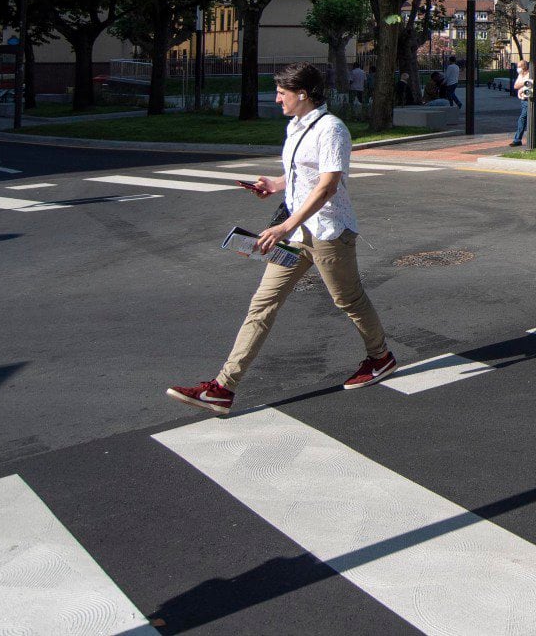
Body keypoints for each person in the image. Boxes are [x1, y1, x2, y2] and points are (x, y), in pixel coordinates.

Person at [167, 62, 396, 416]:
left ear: (302, 94)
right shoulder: (295, 127)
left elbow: (327, 185)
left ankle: (380, 357)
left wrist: (285, 225)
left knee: (348, 299)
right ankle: (222, 388)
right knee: (262, 304)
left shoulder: (331, 129)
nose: (276, 99)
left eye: (282, 93)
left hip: (327, 232)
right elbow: (300, 174)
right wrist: (274, 185)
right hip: (295, 234)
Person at [509, 59, 536, 146]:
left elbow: (530, 87)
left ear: (524, 67)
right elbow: (515, 86)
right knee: (529, 118)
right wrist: (524, 83)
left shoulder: (531, 74)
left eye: (519, 66)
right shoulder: (521, 75)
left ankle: (517, 140)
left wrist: (522, 88)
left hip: (528, 100)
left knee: (522, 119)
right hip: (523, 100)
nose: (518, 68)